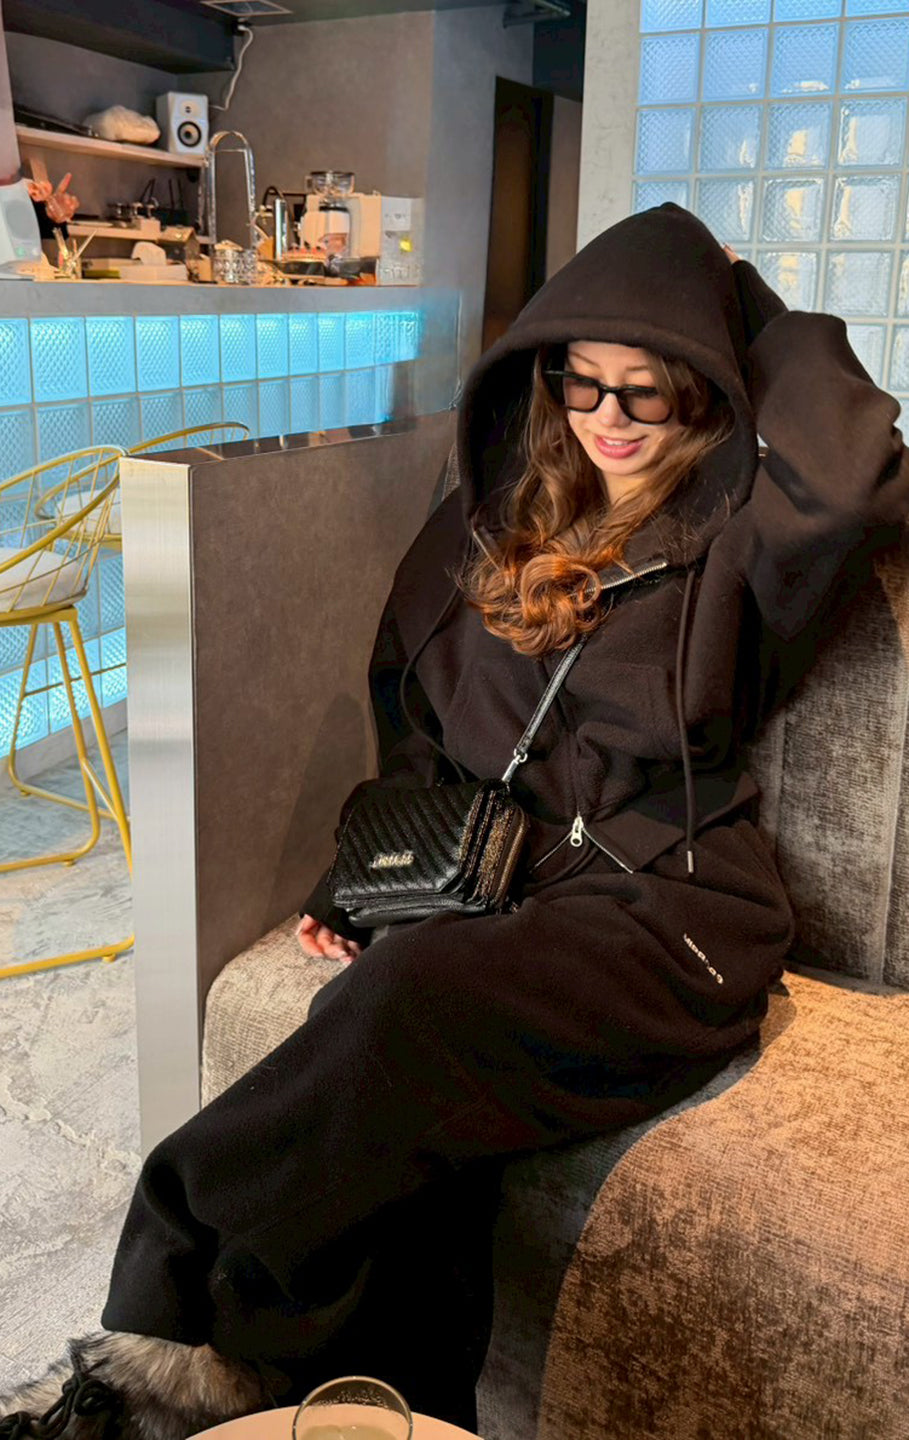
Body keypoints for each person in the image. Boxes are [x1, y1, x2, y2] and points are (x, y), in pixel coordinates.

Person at [3, 203, 908, 1440]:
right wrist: (365, 876)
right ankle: (390, 1416)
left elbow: (855, 473)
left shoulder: (739, 533)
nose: (608, 417)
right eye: (582, 380)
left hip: (676, 911)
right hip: (511, 883)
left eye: (648, 389)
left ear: (702, 387)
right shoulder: (495, 521)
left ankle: (157, 1331)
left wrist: (743, 302)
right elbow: (422, 715)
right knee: (417, 1116)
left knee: (405, 1006)